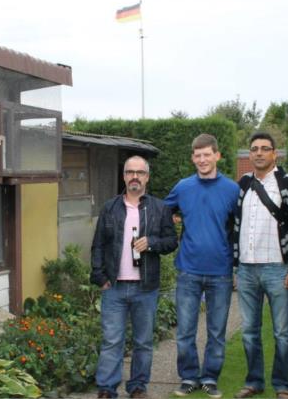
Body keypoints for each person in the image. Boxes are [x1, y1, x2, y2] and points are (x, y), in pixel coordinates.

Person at [90, 155, 178, 399]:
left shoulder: (159, 208)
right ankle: (107, 388)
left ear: (147, 177)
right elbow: (98, 244)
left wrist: (152, 242)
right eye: (130, 172)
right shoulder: (110, 207)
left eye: (140, 172)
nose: (135, 177)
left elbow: (172, 241)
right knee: (112, 341)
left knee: (143, 342)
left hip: (145, 287)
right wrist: (99, 276)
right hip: (114, 287)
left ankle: (138, 387)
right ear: (124, 176)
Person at [232, 132, 288, 399]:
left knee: (282, 332)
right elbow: (236, 227)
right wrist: (236, 266)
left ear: (274, 153)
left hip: (278, 268)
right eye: (254, 149)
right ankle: (254, 382)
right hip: (247, 269)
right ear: (250, 154)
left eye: (265, 148)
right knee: (249, 331)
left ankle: (283, 386)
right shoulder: (243, 183)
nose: (259, 153)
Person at [164, 134, 240, 398]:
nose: (202, 159)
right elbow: (162, 212)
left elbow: (241, 227)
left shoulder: (232, 190)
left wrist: (237, 263)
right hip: (188, 270)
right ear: (192, 158)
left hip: (221, 271)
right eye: (198, 155)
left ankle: (209, 377)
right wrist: (170, 227)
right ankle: (188, 377)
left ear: (217, 155)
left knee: (217, 332)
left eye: (207, 154)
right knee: (185, 330)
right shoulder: (183, 187)